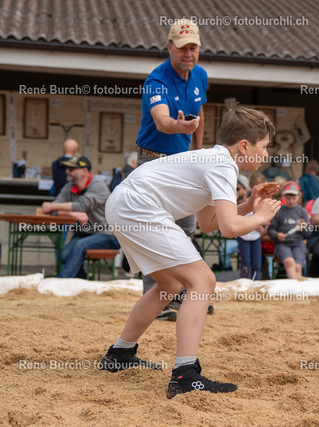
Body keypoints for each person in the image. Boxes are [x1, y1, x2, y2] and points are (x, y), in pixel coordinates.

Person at [98, 106, 280, 398]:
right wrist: (260, 217)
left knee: (170, 284)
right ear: (244, 146)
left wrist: (249, 205)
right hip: (137, 206)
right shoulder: (223, 165)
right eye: (264, 146)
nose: (266, 154)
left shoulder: (213, 159)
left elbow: (208, 223)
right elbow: (230, 228)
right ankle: (185, 375)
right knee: (203, 281)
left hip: (125, 204)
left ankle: (119, 353)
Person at [135, 19, 209, 319]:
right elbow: (162, 120)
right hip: (153, 161)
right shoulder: (156, 81)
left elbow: (199, 110)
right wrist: (179, 126)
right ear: (169, 47)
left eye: (193, 47)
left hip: (183, 162)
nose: (188, 54)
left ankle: (181, 294)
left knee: (186, 230)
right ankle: (157, 299)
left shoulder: (200, 75)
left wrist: (198, 151)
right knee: (154, 230)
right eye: (182, 48)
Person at [41, 155, 120, 278]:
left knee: (80, 245)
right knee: (64, 255)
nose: (67, 171)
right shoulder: (69, 186)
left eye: (71, 169)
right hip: (84, 233)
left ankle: (60, 281)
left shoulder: (98, 185)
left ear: (84, 171)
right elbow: (52, 211)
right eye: (67, 168)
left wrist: (53, 206)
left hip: (108, 234)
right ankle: (82, 281)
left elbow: (81, 206)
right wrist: (72, 214)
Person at [268, 181, 311, 279]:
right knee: (289, 262)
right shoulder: (279, 211)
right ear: (283, 197)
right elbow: (271, 229)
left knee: (298, 266)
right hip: (282, 244)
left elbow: (308, 233)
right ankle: (294, 286)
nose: (291, 200)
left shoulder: (302, 211)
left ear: (299, 196)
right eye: (288, 198)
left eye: (293, 198)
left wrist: (304, 228)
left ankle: (297, 287)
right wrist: (277, 235)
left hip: (298, 243)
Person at [237, 174, 268, 280]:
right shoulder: (247, 200)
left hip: (256, 236)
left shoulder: (262, 200)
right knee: (245, 262)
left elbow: (265, 218)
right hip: (244, 236)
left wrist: (263, 226)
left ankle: (255, 283)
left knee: (256, 263)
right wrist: (256, 225)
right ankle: (244, 282)